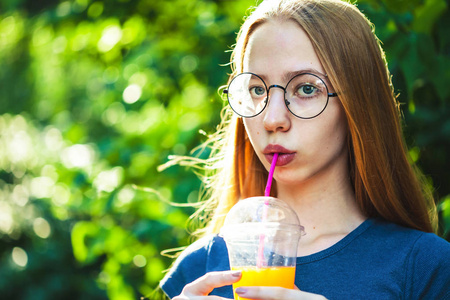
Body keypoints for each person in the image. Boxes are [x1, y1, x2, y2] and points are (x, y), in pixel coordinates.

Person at [159, 0, 450, 299]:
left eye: (306, 89)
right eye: (257, 90)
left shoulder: (426, 267)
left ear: (359, 104)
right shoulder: (198, 270)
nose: (272, 119)